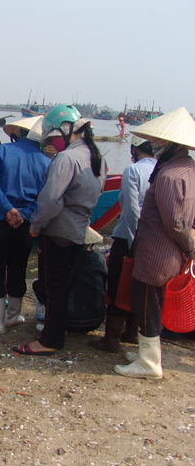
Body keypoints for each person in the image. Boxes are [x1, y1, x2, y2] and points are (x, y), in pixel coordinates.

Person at [14, 104, 107, 355]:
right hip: (79, 230)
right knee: (62, 286)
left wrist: (35, 225)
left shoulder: (66, 158)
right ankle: (53, 332)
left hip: (58, 231)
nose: (53, 143)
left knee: (51, 287)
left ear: (65, 130)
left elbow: (50, 199)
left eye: (54, 137)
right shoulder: (96, 157)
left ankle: (50, 341)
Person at [114, 107, 195, 379]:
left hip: (158, 252)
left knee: (147, 304)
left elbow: (174, 221)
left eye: (161, 142)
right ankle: (146, 355)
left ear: (173, 144)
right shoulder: (188, 169)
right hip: (169, 252)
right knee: (152, 303)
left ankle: (149, 364)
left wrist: (188, 246)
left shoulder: (170, 176)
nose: (156, 146)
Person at [0, 117, 50, 333]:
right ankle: (13, 317)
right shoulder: (46, 161)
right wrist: (22, 213)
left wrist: (8, 209)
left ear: (17, 133)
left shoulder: (3, 151)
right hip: (26, 223)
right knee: (19, 268)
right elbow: (45, 196)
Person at [89, 136, 155, 352]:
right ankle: (131, 332)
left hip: (129, 238)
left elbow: (131, 210)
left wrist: (135, 242)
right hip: (152, 241)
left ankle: (111, 339)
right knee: (139, 287)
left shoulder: (133, 171)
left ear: (134, 150)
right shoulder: (161, 170)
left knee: (118, 286)